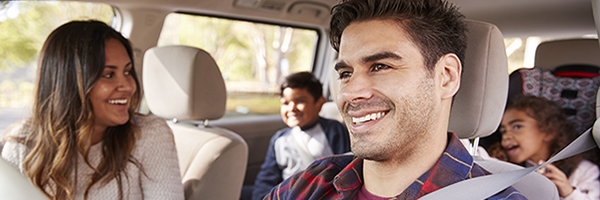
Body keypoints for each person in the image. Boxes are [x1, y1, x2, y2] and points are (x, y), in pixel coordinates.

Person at [263, 0, 527, 199]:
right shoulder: (311, 182)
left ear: (446, 77)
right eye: (345, 73)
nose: (351, 93)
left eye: (380, 66)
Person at [1, 20, 184, 200]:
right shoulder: (22, 147)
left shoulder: (148, 134)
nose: (129, 86)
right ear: (69, 85)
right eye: (109, 75)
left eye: (127, 72)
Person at [252, 72, 351, 200]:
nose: (292, 108)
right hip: (287, 194)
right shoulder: (279, 139)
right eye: (285, 103)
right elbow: (266, 179)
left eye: (300, 101)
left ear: (319, 103)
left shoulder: (333, 130)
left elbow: (346, 168)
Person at [494, 95, 600, 199]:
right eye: (503, 131)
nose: (506, 136)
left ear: (548, 131)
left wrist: (569, 193)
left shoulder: (583, 171)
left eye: (517, 127)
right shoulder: (505, 168)